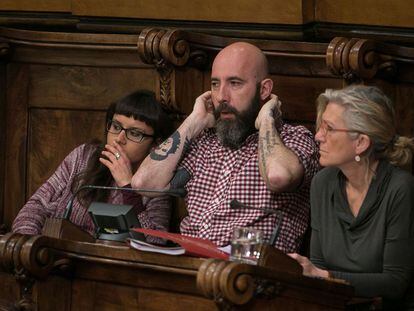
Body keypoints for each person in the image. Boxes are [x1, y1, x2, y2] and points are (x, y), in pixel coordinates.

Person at [132, 42, 319, 253]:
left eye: (235, 83)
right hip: (190, 264)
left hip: (252, 270)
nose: (221, 96)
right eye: (214, 84)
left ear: (264, 89)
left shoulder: (294, 139)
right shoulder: (204, 141)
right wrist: (193, 122)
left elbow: (279, 178)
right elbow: (143, 183)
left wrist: (267, 121)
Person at [288, 85, 414, 309]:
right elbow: (317, 266)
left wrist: (322, 275)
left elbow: (395, 283)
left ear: (361, 143)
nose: (318, 136)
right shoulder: (322, 183)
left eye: (329, 128)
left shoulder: (400, 188)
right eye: (321, 126)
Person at [12, 90, 174, 242]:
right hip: (55, 259)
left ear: (156, 143)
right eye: (116, 127)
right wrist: (29, 249)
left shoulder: (158, 184)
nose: (119, 138)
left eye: (134, 133)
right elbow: (35, 207)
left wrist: (127, 186)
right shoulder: (84, 156)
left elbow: (155, 242)